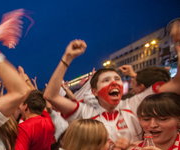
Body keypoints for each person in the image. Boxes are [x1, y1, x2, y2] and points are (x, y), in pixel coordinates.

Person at [43, 39, 180, 143]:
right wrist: (67, 58)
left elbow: (176, 84)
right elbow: (51, 95)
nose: (114, 82)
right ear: (95, 91)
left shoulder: (133, 104)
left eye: (117, 78)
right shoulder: (85, 112)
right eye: (106, 80)